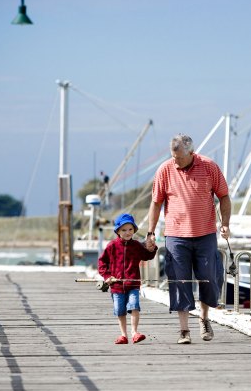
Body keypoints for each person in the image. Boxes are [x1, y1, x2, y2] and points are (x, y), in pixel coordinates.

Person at [145, 134, 231, 344]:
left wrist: (226, 223)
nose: (176, 161)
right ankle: (184, 330)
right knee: (179, 280)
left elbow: (224, 196)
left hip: (205, 234)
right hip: (176, 235)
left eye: (180, 158)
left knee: (210, 278)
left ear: (192, 153)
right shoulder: (165, 169)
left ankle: (204, 318)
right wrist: (151, 231)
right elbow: (156, 203)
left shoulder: (209, 167)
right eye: (173, 157)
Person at [98, 213, 158, 344]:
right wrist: (107, 276)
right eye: (124, 230)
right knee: (120, 311)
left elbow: (147, 256)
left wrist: (152, 249)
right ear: (118, 231)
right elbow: (102, 263)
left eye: (130, 229)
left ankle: (134, 332)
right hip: (116, 286)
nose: (127, 232)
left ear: (134, 230)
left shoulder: (136, 245)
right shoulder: (112, 246)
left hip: (133, 284)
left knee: (134, 306)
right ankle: (123, 335)